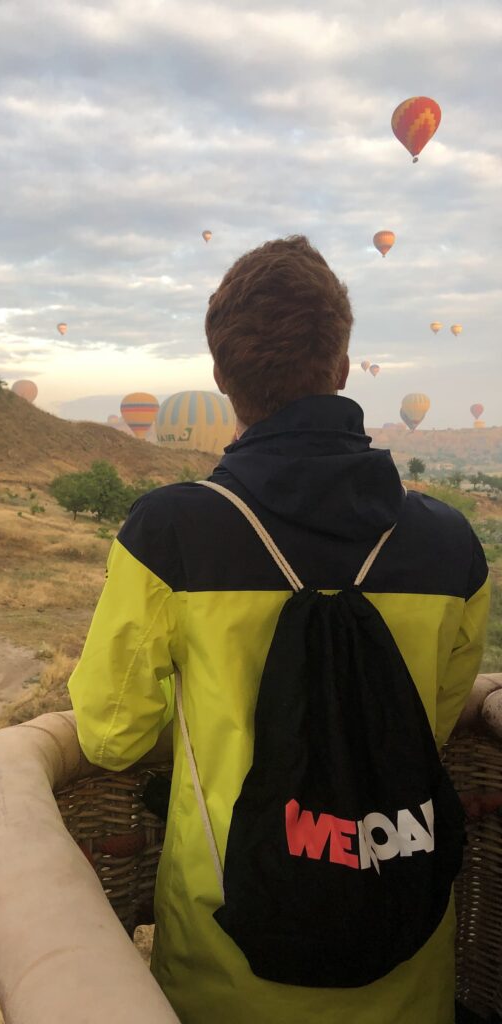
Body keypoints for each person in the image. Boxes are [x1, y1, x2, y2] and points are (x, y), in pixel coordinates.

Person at [68, 236, 490, 1024]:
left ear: (223, 380)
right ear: (341, 367)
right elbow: (427, 717)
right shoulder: (451, 545)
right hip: (409, 970)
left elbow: (112, 736)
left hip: (225, 971)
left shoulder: (170, 535)